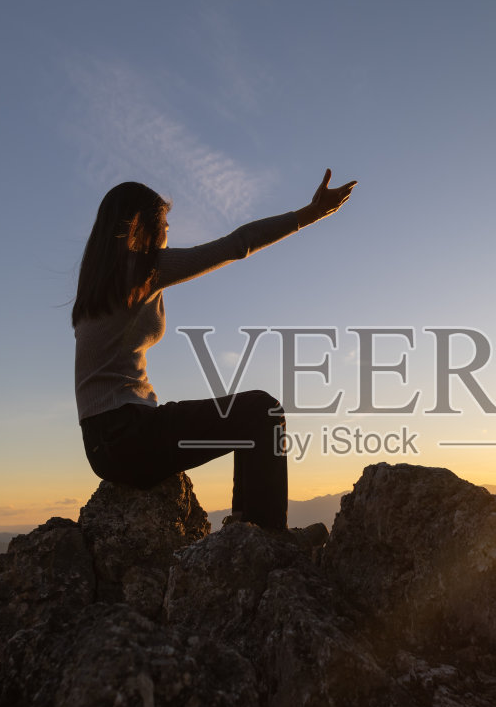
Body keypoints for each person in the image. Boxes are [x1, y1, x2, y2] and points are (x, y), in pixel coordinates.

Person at [73, 170, 356, 532]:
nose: (168, 232)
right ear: (143, 227)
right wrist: (309, 214)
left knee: (250, 418)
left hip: (103, 445)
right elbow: (236, 244)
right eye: (165, 224)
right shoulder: (142, 270)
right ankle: (262, 537)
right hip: (128, 434)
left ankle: (249, 532)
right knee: (262, 412)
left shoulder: (97, 283)